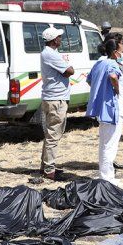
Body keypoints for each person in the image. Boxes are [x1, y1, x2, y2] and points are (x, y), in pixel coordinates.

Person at [87, 37, 123, 183]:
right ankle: (107, 177)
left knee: (105, 142)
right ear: (115, 52)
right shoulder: (111, 64)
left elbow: (90, 80)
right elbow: (112, 76)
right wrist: (115, 90)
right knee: (110, 144)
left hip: (104, 107)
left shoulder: (99, 63)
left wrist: (100, 92)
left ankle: (105, 175)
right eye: (122, 49)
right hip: (112, 108)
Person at [39, 27, 75, 180]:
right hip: (56, 99)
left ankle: (45, 165)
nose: (61, 39)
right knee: (53, 135)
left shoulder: (48, 53)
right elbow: (70, 70)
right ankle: (49, 169)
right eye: (59, 37)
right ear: (54, 40)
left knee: (50, 134)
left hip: (51, 97)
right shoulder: (50, 55)